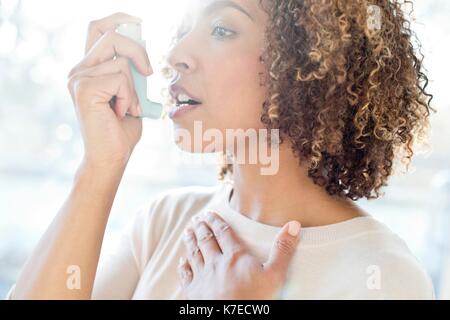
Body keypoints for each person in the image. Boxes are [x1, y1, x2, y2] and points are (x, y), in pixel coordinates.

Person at [7, 0, 435, 299]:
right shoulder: (165, 223)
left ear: (309, 65)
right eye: (183, 31)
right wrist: (99, 167)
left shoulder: (383, 276)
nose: (175, 55)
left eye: (221, 29)